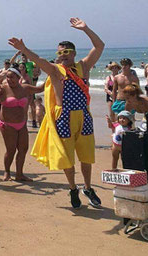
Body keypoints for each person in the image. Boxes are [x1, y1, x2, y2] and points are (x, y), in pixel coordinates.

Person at [12, 17, 105, 208]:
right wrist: (24, 49)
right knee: (66, 158)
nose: (63, 55)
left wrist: (86, 29)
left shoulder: (84, 67)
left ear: (73, 53)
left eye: (66, 52)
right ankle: (73, 188)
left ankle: (87, 187)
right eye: (60, 52)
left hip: (84, 117)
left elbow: (100, 46)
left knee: (86, 157)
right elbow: (38, 60)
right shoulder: (55, 71)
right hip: (64, 118)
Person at [0, 68, 42, 181]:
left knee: (23, 149)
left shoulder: (25, 88)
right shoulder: (2, 89)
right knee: (11, 150)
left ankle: (19, 174)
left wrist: (53, 73)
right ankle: (7, 172)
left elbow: (40, 89)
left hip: (22, 124)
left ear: (18, 77)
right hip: (8, 125)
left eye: (12, 77)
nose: (9, 79)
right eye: (7, 77)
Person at [111, 58, 139, 123]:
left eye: (125, 65)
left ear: (129, 66)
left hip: (130, 102)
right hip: (119, 101)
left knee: (130, 122)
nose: (123, 66)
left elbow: (137, 91)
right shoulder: (117, 77)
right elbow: (114, 90)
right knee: (118, 121)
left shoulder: (134, 78)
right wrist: (114, 101)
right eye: (122, 65)